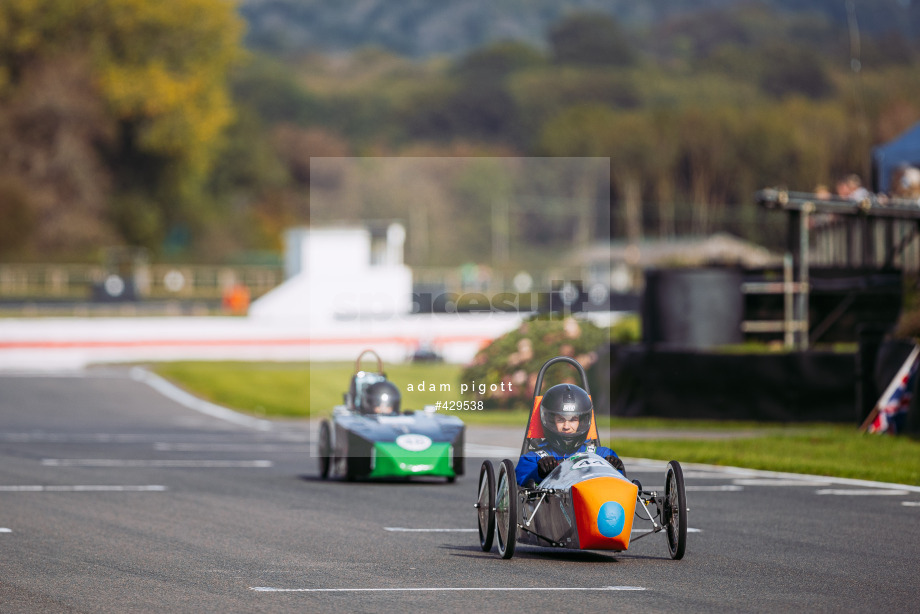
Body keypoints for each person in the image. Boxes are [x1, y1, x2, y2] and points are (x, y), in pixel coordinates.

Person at [515, 383, 624, 486]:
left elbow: (621, 484)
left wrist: (614, 468)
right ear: (551, 421)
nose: (567, 426)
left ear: (581, 422)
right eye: (561, 420)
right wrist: (538, 473)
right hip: (555, 504)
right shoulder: (533, 458)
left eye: (573, 420)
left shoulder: (603, 454)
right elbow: (519, 481)